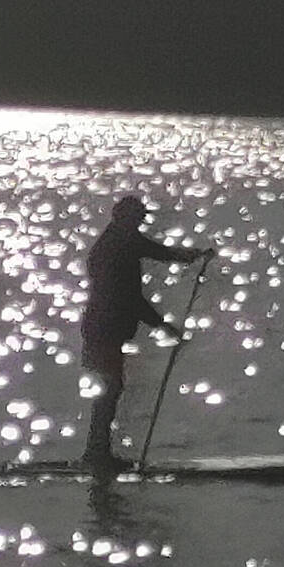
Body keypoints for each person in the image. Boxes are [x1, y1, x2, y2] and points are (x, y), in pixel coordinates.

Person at [79, 195, 211, 471]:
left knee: (112, 389)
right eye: (137, 217)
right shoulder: (117, 245)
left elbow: (159, 252)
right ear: (124, 218)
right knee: (109, 389)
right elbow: (131, 299)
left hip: (106, 329)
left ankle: (98, 453)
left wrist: (192, 256)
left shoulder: (122, 240)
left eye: (142, 217)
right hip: (104, 330)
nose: (141, 222)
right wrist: (164, 326)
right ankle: (97, 455)